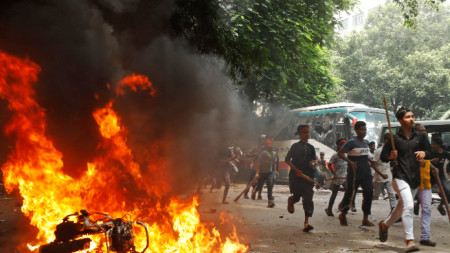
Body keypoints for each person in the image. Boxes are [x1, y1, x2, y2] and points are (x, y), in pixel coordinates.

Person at [379, 107, 431, 252]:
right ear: (400, 120)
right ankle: (409, 241)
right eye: (408, 117)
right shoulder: (393, 139)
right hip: (399, 177)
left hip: (415, 177)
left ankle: (384, 225)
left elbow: (430, 151)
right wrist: (390, 156)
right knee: (408, 206)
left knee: (401, 206)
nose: (412, 119)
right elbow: (383, 157)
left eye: (412, 116)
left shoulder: (420, 137)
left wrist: (424, 153)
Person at [337, 121, 387, 227]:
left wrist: (370, 161)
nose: (364, 131)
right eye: (361, 129)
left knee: (369, 193)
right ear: (356, 130)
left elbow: (364, 155)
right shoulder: (351, 142)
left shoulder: (365, 142)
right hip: (354, 173)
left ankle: (365, 218)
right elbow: (340, 153)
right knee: (350, 194)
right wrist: (350, 162)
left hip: (366, 172)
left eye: (365, 129)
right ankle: (343, 213)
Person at [285, 125, 317, 232]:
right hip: (296, 177)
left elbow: (313, 160)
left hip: (308, 177)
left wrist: (312, 163)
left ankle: (306, 223)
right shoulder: (295, 146)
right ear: (299, 134)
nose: (307, 134)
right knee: (297, 197)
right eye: (304, 132)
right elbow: (287, 160)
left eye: (308, 132)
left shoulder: (311, 148)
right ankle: (291, 200)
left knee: (308, 199)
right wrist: (296, 170)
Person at [252, 139, 279, 207]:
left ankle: (270, 202)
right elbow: (258, 162)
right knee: (260, 185)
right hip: (262, 172)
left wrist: (275, 170)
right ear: (266, 146)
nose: (270, 146)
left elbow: (273, 162)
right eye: (268, 145)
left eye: (270, 144)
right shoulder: (263, 153)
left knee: (269, 184)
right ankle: (255, 191)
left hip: (270, 172)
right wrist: (257, 173)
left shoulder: (274, 153)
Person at [373, 133, 396, 212]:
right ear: (385, 141)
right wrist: (382, 174)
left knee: (391, 194)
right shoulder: (378, 151)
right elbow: (374, 165)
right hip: (379, 177)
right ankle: (366, 202)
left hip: (388, 175)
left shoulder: (392, 151)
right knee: (376, 196)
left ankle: (393, 210)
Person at [325, 138, 348, 217]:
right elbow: (329, 164)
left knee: (348, 192)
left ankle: (342, 206)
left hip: (344, 177)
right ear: (338, 146)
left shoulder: (346, 155)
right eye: (342, 145)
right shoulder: (336, 155)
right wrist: (334, 173)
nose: (344, 146)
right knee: (334, 194)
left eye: (345, 145)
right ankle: (329, 209)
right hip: (337, 178)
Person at [430, 136, 450, 216]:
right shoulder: (430, 153)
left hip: (441, 176)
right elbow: (425, 161)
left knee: (448, 192)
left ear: (438, 145)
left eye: (433, 144)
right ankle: (417, 204)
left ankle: (441, 205)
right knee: (423, 193)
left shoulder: (445, 153)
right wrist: (432, 162)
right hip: (430, 176)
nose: (432, 145)